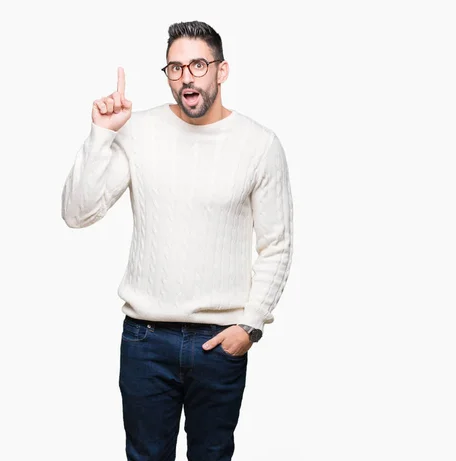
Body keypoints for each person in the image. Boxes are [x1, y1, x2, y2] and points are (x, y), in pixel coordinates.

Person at [61, 20, 294, 461]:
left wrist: (250, 326)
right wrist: (102, 134)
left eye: (198, 64)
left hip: (219, 342)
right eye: (174, 67)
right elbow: (77, 213)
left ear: (221, 71)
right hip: (146, 342)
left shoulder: (259, 144)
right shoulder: (137, 131)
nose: (186, 76)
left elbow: (277, 244)